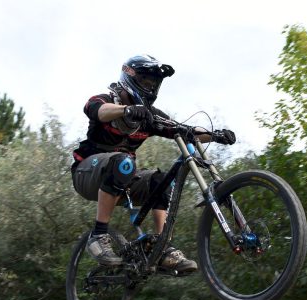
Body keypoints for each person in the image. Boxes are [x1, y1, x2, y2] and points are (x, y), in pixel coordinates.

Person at [71, 54, 236, 271]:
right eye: (146, 81)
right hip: (86, 174)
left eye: (154, 83)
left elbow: (184, 130)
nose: (150, 87)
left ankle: (162, 248)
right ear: (130, 77)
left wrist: (215, 135)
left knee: (163, 180)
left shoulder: (149, 116)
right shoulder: (105, 100)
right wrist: (126, 110)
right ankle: (99, 235)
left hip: (121, 181)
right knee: (124, 162)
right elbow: (99, 112)